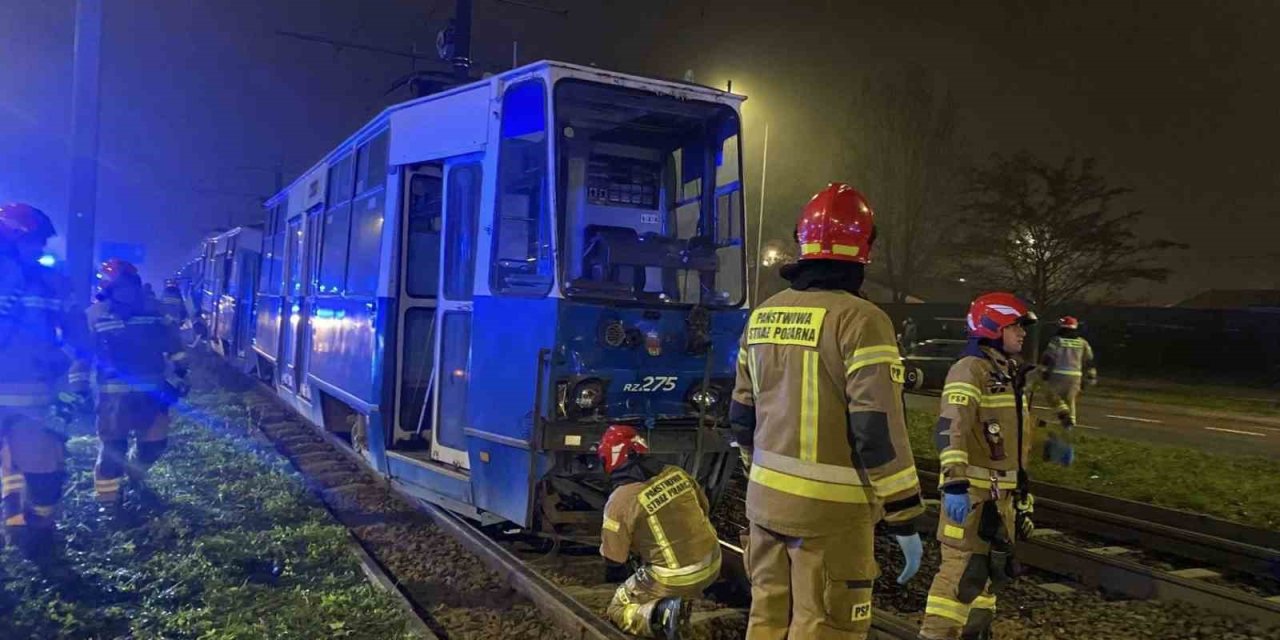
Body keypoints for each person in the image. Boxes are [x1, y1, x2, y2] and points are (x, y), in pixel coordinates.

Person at [731, 183, 925, 639]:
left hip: (763, 505)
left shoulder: (762, 314)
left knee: (767, 620)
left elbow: (740, 417)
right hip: (832, 516)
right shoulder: (863, 320)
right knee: (826, 627)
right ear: (863, 250)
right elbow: (875, 431)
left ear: (805, 242)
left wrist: (760, 474)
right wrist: (904, 514)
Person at [919, 292, 1037, 640]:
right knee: (959, 577)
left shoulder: (1005, 372)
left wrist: (1022, 490)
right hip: (972, 497)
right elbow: (949, 428)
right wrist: (954, 485)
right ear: (993, 326)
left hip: (999, 499)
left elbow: (1013, 439)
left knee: (987, 577)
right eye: (1016, 326)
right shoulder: (969, 370)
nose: (1022, 334)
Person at [0, 203, 89, 561]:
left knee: (45, 480)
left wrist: (74, 382)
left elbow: (78, 336)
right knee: (38, 474)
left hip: (33, 397)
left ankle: (36, 532)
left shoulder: (51, 281)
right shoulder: (49, 280)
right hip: (33, 396)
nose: (41, 248)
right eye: (36, 240)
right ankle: (24, 530)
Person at [70, 258, 187, 514]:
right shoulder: (96, 315)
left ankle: (134, 474)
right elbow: (82, 355)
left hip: (152, 393)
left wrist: (180, 372)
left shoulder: (153, 310)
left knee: (153, 445)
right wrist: (79, 388)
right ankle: (109, 506)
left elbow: (173, 343)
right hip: (114, 397)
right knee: (113, 451)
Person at [597, 424, 720, 640]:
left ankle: (662, 614)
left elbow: (615, 559)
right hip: (713, 563)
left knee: (618, 607)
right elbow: (704, 508)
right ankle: (687, 594)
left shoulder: (620, 500)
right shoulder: (677, 473)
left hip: (676, 579)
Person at [1039, 316, 1096, 446]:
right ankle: (1069, 429)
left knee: (1052, 397)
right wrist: (1091, 377)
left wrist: (1044, 371)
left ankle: (1064, 416)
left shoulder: (1057, 341)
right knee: (1071, 401)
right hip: (1075, 376)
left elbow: (1048, 357)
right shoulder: (1082, 342)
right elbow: (1089, 360)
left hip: (1058, 375)